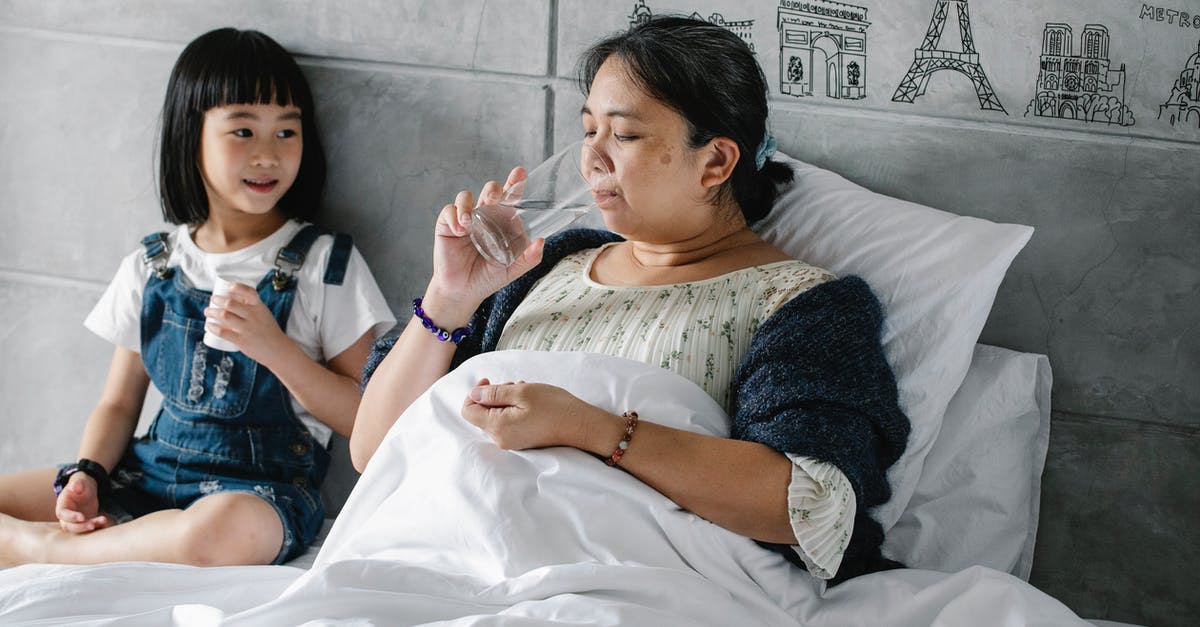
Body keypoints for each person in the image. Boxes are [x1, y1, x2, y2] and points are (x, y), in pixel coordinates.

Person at [354, 16, 909, 583]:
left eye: (623, 135)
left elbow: (805, 504)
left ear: (716, 161)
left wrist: (589, 429)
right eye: (588, 130)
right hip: (448, 563)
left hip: (632, 588)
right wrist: (449, 299)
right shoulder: (538, 268)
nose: (591, 158)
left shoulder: (803, 306)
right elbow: (375, 454)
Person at [0, 28, 395, 567]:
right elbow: (118, 403)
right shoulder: (153, 262)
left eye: (286, 132)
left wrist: (274, 349)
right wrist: (88, 474)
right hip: (152, 472)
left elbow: (365, 417)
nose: (267, 155)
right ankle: (102, 537)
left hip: (259, 493)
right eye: (242, 131)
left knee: (216, 533)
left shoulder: (325, 264)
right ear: (192, 137)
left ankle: (44, 552)